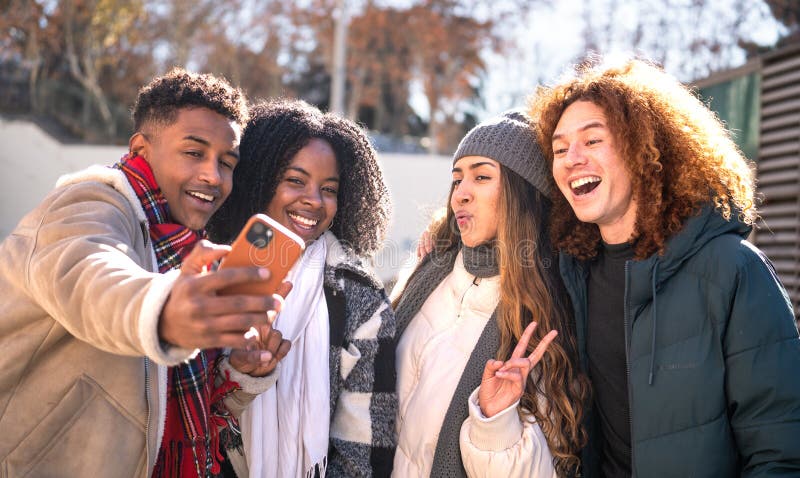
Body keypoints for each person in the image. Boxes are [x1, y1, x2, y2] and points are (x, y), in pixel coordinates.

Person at [0, 68, 292, 477]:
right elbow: (93, 276)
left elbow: (164, 407)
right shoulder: (85, 204)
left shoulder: (186, 246)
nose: (213, 175)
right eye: (194, 152)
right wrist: (165, 311)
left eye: (227, 162)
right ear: (141, 148)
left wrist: (238, 375)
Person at [530, 58, 800, 476]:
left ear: (643, 147)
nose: (571, 159)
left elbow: (781, 452)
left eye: (592, 140)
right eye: (560, 148)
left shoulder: (732, 271)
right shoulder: (571, 276)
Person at [391, 111, 590, 477]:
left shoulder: (544, 318)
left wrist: (495, 423)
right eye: (456, 178)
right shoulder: (426, 271)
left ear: (521, 195)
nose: (460, 194)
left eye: (481, 177)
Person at [207, 98, 397, 477]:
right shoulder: (206, 267)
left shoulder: (361, 301)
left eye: (329, 189)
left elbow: (364, 455)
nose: (313, 200)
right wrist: (239, 373)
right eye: (295, 180)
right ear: (260, 178)